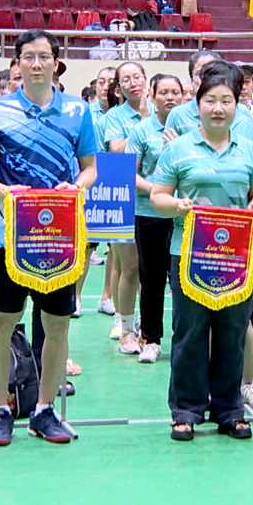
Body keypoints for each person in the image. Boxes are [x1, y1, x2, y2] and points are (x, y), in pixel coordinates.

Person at [0, 29, 98, 446]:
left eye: (44, 56)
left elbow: (90, 168)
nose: (36, 64)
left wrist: (77, 188)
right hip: (9, 234)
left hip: (58, 237)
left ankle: (44, 409)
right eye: (28, 56)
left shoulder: (77, 110)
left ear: (56, 63)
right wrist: (4, 192)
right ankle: (1, 408)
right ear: (18, 63)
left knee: (56, 325)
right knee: (2, 324)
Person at [146, 62, 253, 440]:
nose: (218, 108)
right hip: (189, 254)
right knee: (190, 331)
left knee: (232, 331)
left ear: (236, 106)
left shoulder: (249, 150)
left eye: (226, 101)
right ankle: (186, 409)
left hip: (237, 256)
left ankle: (229, 410)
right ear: (198, 105)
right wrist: (177, 206)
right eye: (211, 101)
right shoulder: (178, 149)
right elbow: (158, 196)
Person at [121, 72, 185, 362]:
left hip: (183, 214)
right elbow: (130, 173)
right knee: (152, 278)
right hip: (149, 214)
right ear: (152, 95)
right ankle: (151, 338)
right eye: (164, 92)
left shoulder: (192, 130)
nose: (170, 97)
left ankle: (184, 340)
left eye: (175, 92)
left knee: (183, 280)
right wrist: (158, 191)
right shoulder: (142, 131)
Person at [100, 61, 152, 348]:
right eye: (126, 79)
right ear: (119, 88)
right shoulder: (115, 116)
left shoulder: (159, 111)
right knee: (128, 265)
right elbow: (117, 150)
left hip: (154, 200)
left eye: (137, 77)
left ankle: (145, 324)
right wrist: (145, 125)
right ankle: (124, 324)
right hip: (123, 197)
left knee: (149, 269)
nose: (133, 83)